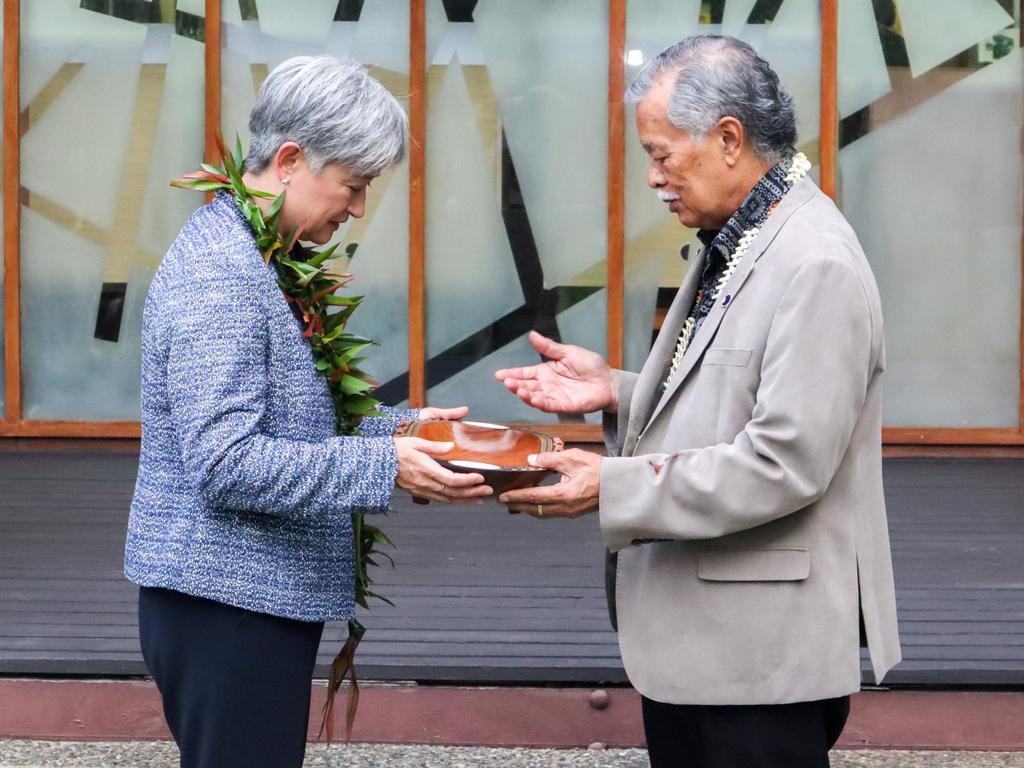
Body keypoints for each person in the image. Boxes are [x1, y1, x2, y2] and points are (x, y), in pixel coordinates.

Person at [495, 35, 900, 768]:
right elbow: (732, 389)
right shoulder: (748, 232)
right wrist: (617, 389)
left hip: (759, 659)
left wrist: (606, 484)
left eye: (661, 153)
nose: (653, 177)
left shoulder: (814, 262)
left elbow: (783, 462)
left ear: (729, 139)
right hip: (712, 646)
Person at [124, 56, 490, 768]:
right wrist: (389, 463)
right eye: (352, 186)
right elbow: (228, 464)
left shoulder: (259, 253)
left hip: (241, 602)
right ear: (290, 159)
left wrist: (410, 429)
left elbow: (296, 428)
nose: (357, 209)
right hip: (223, 608)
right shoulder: (222, 273)